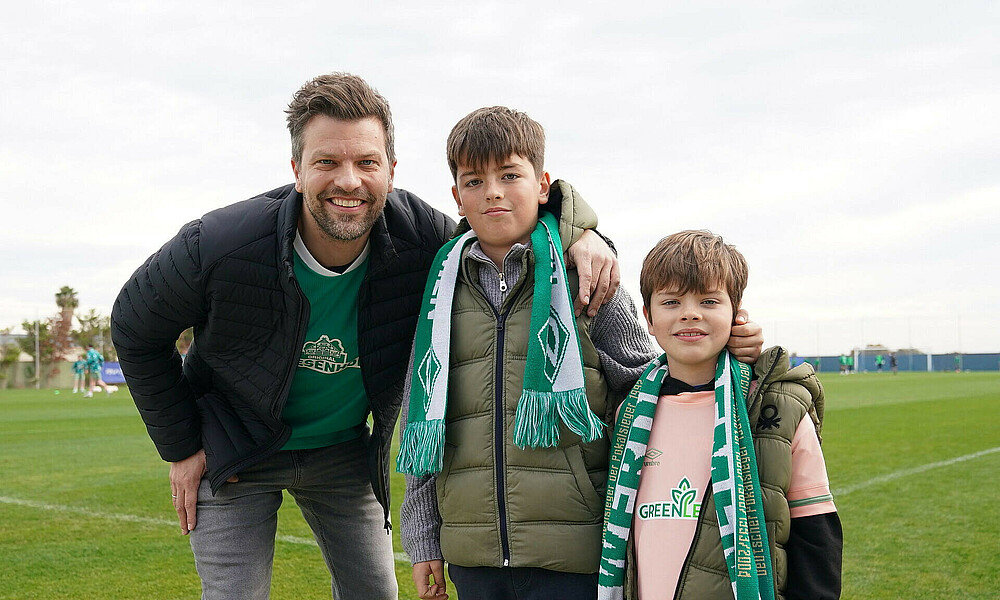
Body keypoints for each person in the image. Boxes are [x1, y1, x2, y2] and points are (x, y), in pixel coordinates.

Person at [110, 73, 626, 600]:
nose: (349, 181)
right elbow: (132, 326)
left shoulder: (426, 239)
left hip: (342, 452)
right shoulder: (219, 243)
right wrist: (180, 444)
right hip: (237, 447)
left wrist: (586, 235)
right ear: (296, 170)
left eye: (367, 163)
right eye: (327, 162)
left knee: (376, 592)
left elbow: (503, 228)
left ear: (392, 171)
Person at [397, 108, 764, 600]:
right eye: (474, 180)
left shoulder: (587, 276)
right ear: (457, 198)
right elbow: (426, 426)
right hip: (472, 554)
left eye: (510, 175)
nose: (494, 192)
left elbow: (647, 385)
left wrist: (727, 343)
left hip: (576, 552)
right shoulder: (438, 296)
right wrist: (423, 541)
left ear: (543, 183)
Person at [600, 230, 842, 600]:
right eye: (672, 302)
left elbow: (817, 539)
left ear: (737, 312)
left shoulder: (779, 410)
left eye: (709, 301)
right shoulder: (629, 414)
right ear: (648, 318)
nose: (690, 313)